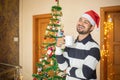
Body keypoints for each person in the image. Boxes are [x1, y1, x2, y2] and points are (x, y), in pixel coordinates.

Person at [55, 10, 100, 80]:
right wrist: (58, 47)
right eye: (80, 20)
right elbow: (62, 67)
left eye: (86, 22)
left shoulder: (94, 47)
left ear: (91, 28)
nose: (81, 23)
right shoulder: (70, 44)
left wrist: (67, 70)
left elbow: (85, 74)